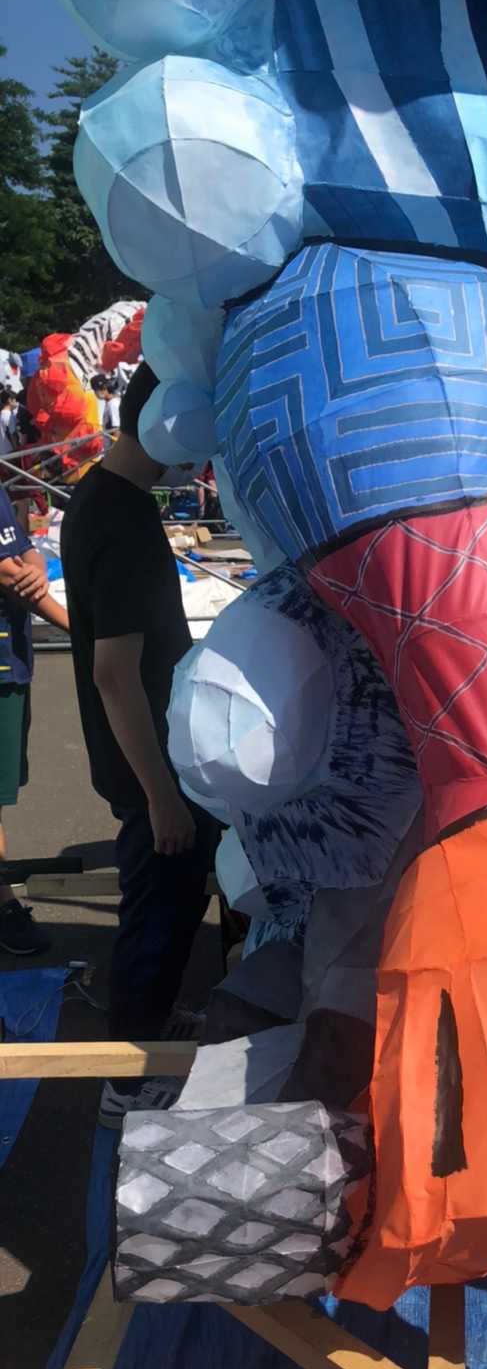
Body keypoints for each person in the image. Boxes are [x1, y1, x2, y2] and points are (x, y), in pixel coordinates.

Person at [60, 364, 219, 1126]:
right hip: (149, 764)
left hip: (151, 753)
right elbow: (114, 673)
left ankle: (150, 1023)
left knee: (171, 903)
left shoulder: (105, 494)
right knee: (157, 912)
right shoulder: (118, 519)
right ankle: (127, 1078)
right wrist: (161, 796)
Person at [0, 484, 69, 953]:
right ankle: (3, 905)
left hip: (12, 661)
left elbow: (21, 548)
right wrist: (87, 632)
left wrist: (38, 571)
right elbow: (8, 574)